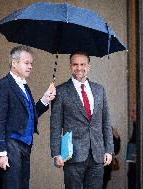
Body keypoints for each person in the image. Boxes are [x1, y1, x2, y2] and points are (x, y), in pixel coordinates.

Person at [0, 45, 56, 189]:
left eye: (31, 63)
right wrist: (1, 152)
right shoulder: (3, 85)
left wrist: (45, 99)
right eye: (26, 63)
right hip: (11, 144)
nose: (30, 66)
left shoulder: (24, 86)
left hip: (25, 146)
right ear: (14, 63)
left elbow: (29, 115)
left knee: (22, 185)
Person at [50, 51, 114, 189]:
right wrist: (56, 153)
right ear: (70, 66)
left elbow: (106, 123)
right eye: (75, 64)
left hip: (97, 155)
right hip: (72, 155)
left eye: (82, 64)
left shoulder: (99, 90)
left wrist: (109, 149)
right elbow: (55, 126)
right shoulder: (60, 91)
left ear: (88, 66)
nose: (79, 68)